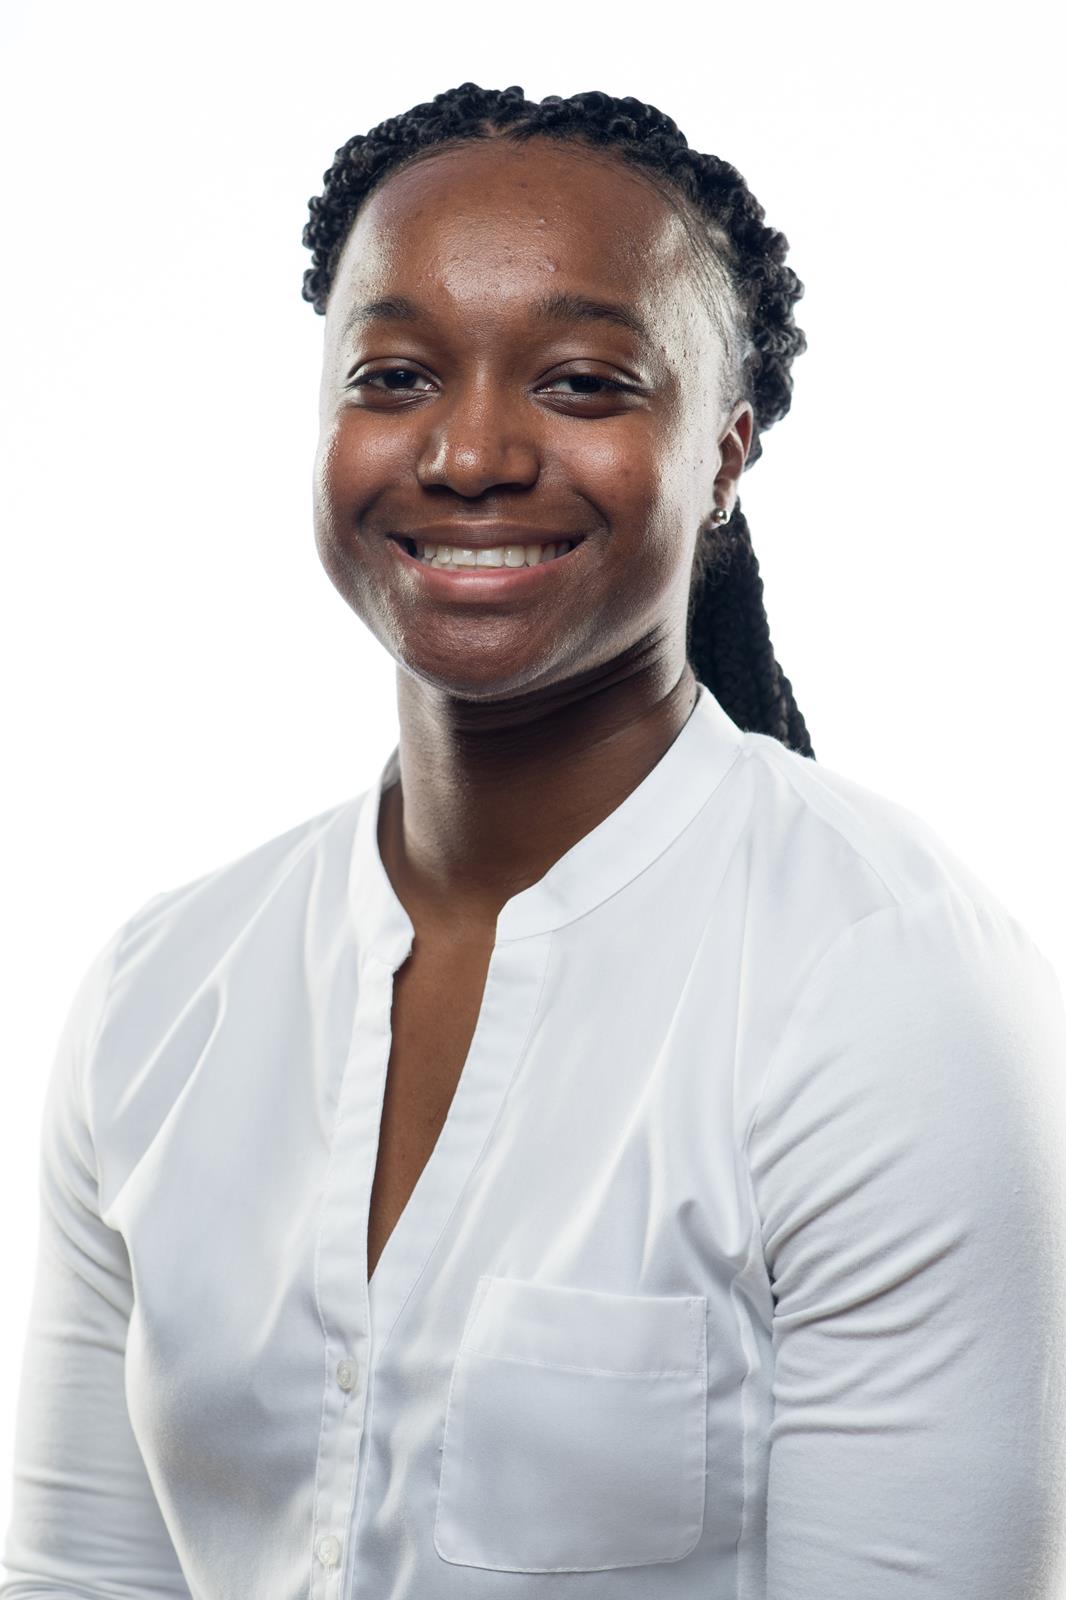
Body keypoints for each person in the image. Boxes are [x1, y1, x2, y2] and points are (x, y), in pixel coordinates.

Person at [2, 81, 1064, 1600]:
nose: (471, 452)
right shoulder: (158, 994)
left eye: (579, 382)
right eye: (394, 376)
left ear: (724, 457)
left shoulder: (887, 991)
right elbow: (80, 1580)